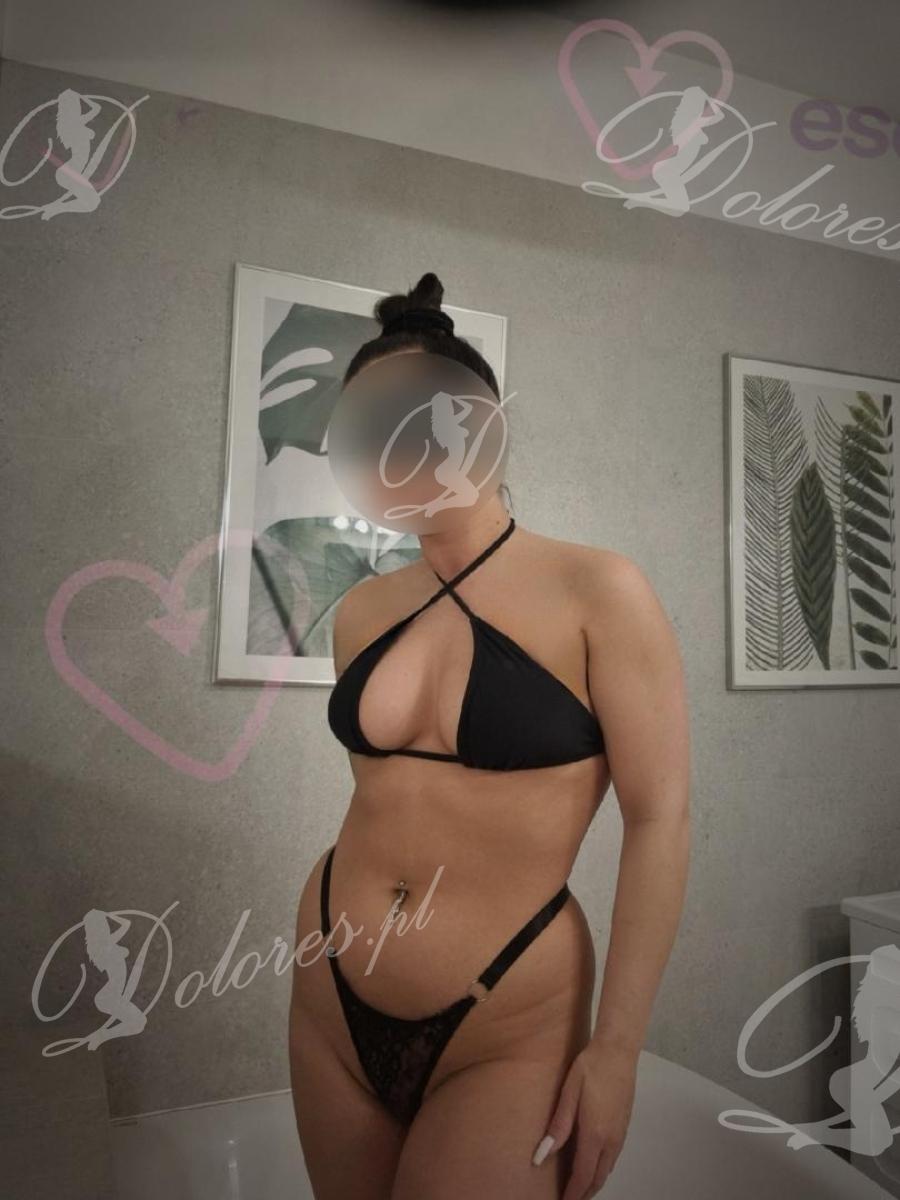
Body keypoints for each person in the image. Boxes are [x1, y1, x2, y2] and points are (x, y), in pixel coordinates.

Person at [288, 272, 691, 1200]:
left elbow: (660, 819)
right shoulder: (361, 611)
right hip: (329, 986)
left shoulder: (599, 590)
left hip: (506, 1016)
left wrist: (618, 1049)